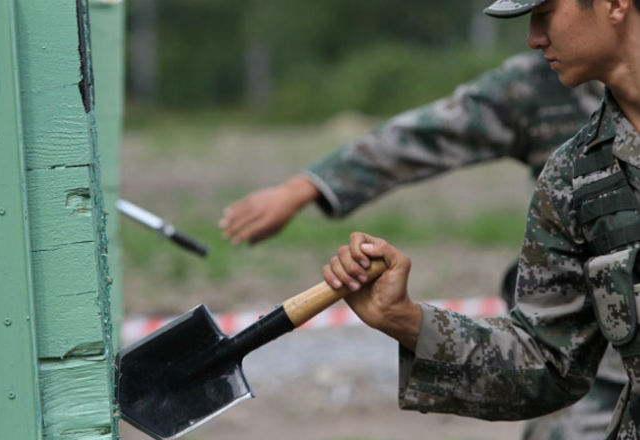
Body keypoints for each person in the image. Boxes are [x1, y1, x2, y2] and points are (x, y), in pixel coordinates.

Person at [219, 21, 621, 440]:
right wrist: (307, 186)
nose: (534, 37)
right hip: (590, 355)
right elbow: (425, 133)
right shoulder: (542, 93)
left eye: (547, 13)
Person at [321, 0, 640, 438]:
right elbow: (547, 364)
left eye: (545, 13)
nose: (533, 38)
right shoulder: (573, 177)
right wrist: (406, 320)